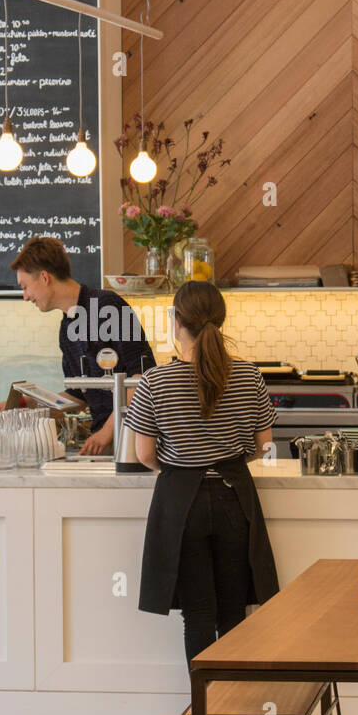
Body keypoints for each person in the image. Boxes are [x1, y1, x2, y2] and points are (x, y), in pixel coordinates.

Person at [123, 281, 280, 678]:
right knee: (233, 610)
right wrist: (227, 458)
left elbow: (144, 455)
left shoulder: (154, 383)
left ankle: (206, 710)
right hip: (234, 498)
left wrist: (182, 466)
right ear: (221, 321)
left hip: (183, 505)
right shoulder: (249, 376)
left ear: (178, 323)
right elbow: (264, 446)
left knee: (198, 613)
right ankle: (235, 707)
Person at [0, 236, 155, 456]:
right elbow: (78, 398)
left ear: (44, 277)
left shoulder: (109, 306)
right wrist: (24, 403)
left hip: (136, 441)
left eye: (25, 287)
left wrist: (107, 432)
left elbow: (141, 378)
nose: (25, 297)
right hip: (106, 445)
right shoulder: (66, 331)